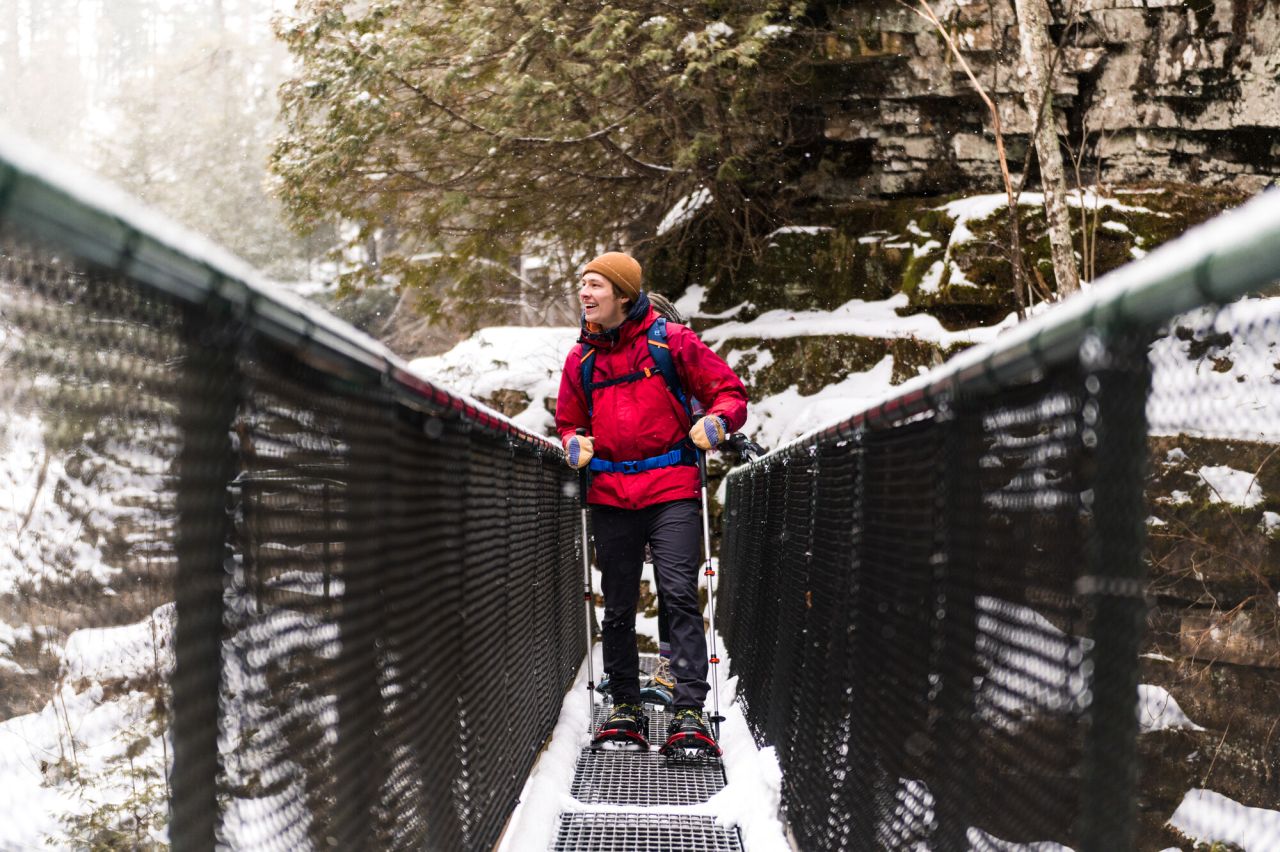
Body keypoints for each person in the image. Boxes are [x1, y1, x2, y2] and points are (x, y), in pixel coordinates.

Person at [556, 251, 748, 754]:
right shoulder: (581, 359)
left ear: (623, 294)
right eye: (584, 283)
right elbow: (569, 420)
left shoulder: (671, 341)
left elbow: (729, 392)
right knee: (617, 606)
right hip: (611, 494)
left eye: (596, 285)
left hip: (671, 490)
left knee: (680, 593)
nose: (586, 293)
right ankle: (624, 707)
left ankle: (688, 712)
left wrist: (718, 422)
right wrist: (574, 441)